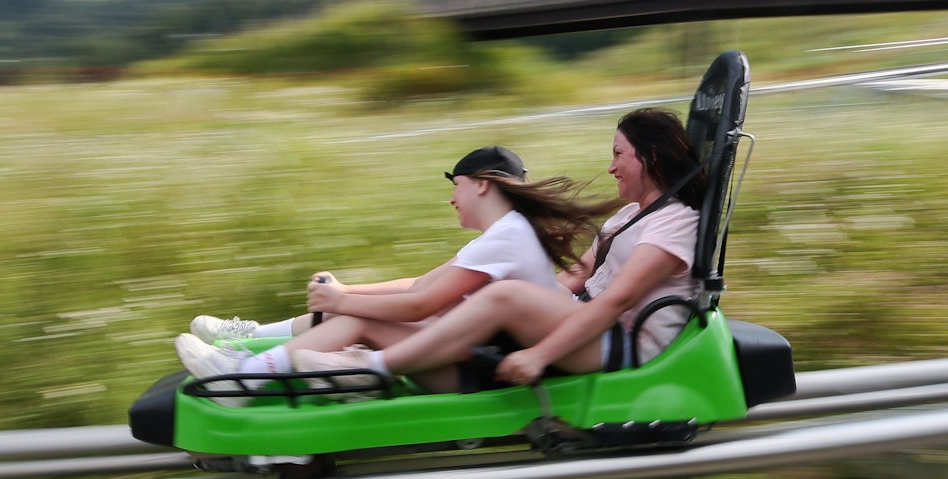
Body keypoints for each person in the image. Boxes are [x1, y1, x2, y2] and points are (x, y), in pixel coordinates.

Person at [287, 107, 708, 393]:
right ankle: (348, 364)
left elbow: (620, 298)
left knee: (502, 295)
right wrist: (516, 302)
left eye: (618, 154)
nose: (611, 166)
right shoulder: (628, 216)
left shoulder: (676, 222)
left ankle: (374, 369)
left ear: (650, 157)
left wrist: (538, 353)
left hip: (624, 344)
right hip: (589, 321)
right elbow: (577, 277)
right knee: (472, 297)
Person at [175, 145, 619, 405]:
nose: (451, 200)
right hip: (463, 357)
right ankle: (247, 354)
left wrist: (344, 302)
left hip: (477, 373)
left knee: (357, 318)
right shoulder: (504, 234)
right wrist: (347, 291)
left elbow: (424, 304)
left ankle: (245, 374)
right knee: (353, 313)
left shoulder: (508, 236)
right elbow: (420, 285)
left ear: (482, 183)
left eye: (455, 187)